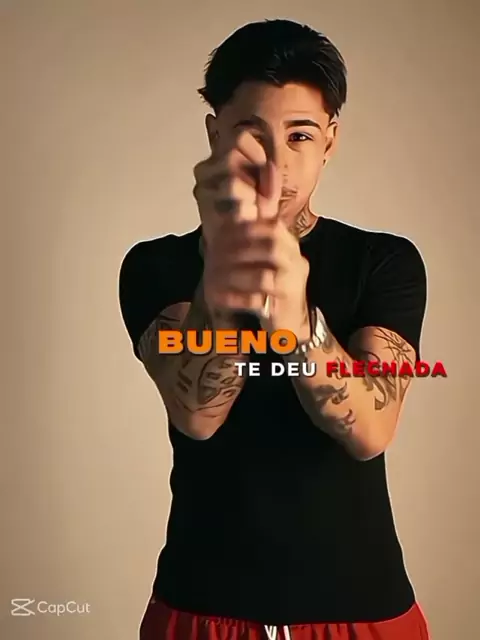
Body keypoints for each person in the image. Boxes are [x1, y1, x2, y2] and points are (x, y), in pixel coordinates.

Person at [119, 19, 430, 640]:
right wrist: (223, 271)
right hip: (201, 604)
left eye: (300, 136)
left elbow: (370, 430)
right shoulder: (157, 266)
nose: (278, 163)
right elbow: (197, 413)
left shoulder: (383, 262)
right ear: (216, 135)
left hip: (361, 606)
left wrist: (294, 318)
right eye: (252, 134)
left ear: (330, 140)